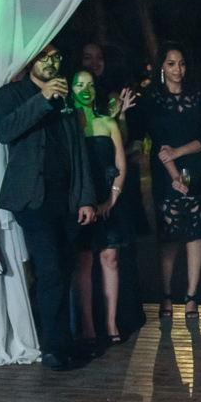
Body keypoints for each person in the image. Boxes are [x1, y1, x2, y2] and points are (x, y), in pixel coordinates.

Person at [0, 43, 98, 371]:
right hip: (32, 198)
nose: (52, 62)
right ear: (31, 60)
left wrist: (85, 197)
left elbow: (77, 148)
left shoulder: (65, 95)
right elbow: (4, 131)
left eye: (56, 57)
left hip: (65, 198)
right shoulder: (10, 94)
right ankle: (52, 348)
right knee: (50, 268)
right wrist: (42, 98)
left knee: (65, 269)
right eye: (45, 57)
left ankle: (64, 343)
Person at [138, 42, 201, 320]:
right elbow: (154, 142)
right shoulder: (151, 100)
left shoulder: (199, 98)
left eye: (181, 63)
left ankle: (192, 296)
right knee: (169, 235)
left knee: (196, 233)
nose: (177, 69)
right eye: (171, 63)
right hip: (164, 173)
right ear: (161, 67)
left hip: (196, 170)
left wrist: (179, 152)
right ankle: (166, 294)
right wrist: (172, 174)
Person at [69, 70, 133, 347]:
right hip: (80, 202)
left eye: (90, 85)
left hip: (109, 200)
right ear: (71, 90)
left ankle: (110, 322)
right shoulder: (69, 123)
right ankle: (88, 325)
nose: (85, 89)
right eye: (79, 84)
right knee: (83, 262)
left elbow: (121, 164)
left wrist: (112, 199)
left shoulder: (108, 123)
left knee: (111, 259)